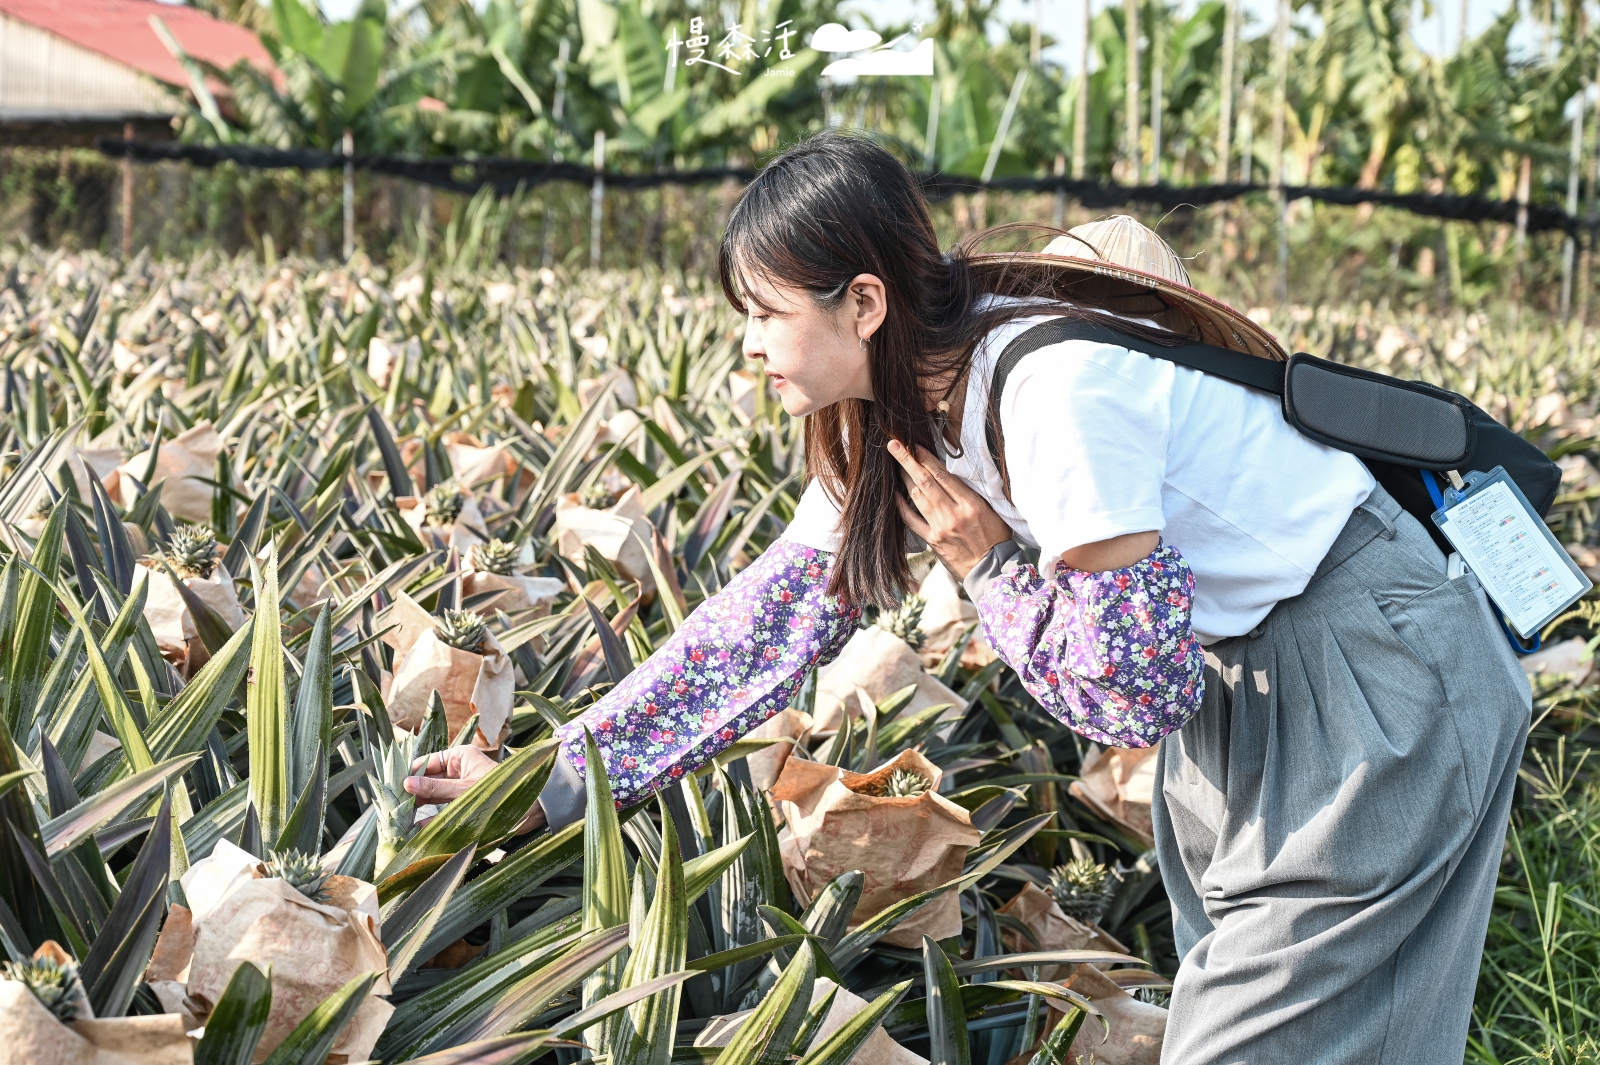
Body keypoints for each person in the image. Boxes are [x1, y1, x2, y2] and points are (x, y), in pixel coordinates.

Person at [406, 130, 1530, 1064]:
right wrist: (551, 780)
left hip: (1365, 670)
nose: (747, 348)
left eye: (762, 313)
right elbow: (761, 630)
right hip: (1250, 689)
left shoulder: (1049, 394)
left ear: (861, 301)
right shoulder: (900, 413)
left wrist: (991, 570)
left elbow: (1129, 696)